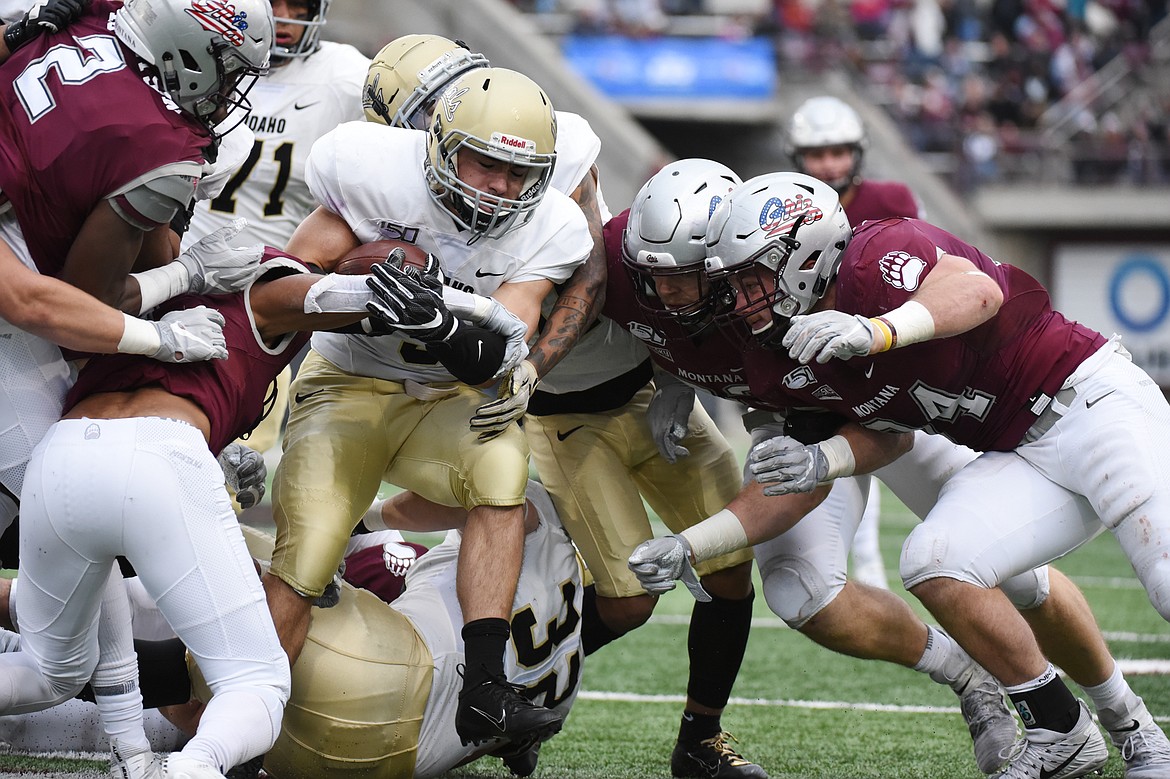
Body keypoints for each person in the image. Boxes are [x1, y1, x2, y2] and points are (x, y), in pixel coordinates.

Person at [644, 170, 1170, 779]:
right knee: (934, 560)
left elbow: (976, 293)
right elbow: (884, 437)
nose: (741, 298)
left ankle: (1135, 732)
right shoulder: (784, 346)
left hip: (1091, 402)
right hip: (1017, 454)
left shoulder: (872, 259)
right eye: (733, 282)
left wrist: (877, 330)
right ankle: (1066, 731)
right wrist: (705, 535)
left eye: (753, 277)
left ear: (805, 253)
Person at [611, 159, 1016, 775]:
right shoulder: (664, 286)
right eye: (655, 275)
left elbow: (970, 295)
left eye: (690, 277)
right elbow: (656, 318)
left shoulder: (790, 284)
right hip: (797, 428)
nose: (667, 294)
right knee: (801, 592)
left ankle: (1098, 715)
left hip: (896, 412)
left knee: (1014, 566)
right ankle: (970, 677)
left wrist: (880, 331)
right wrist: (670, 376)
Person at [265, 64, 592, 755]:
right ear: (442, 144)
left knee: (503, 466)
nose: (502, 187)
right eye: (486, 163)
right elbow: (281, 287)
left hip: (446, 393)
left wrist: (439, 325)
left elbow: (503, 348)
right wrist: (358, 296)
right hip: (349, 382)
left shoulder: (550, 224)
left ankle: (484, 690)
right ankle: (248, 722)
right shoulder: (371, 172)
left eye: (517, 172)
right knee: (313, 548)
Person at [0, 480, 582, 779]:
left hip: (380, 668)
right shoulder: (565, 670)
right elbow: (518, 736)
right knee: (199, 691)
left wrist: (365, 514)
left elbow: (493, 504)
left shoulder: (521, 509)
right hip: (370, 765)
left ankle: (37, 640)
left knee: (216, 555)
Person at [0, 0, 274, 537]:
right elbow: (59, 311)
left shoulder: (104, 14)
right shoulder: (162, 145)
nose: (231, 93)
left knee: (79, 507)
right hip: (26, 299)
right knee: (69, 510)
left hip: (28, 268)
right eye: (230, 69)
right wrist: (175, 299)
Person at [181, 0, 370, 459]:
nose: (284, 16)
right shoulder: (193, 51)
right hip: (177, 267)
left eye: (299, 5)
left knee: (234, 450)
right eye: (273, 2)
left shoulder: (345, 76)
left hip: (266, 292)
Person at [784, 94, 926, 590]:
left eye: (838, 152)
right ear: (797, 157)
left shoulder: (890, 201)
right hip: (819, 358)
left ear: (858, 153)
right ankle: (867, 575)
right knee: (845, 464)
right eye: (817, 154)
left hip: (891, 353)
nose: (828, 164)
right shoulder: (784, 206)